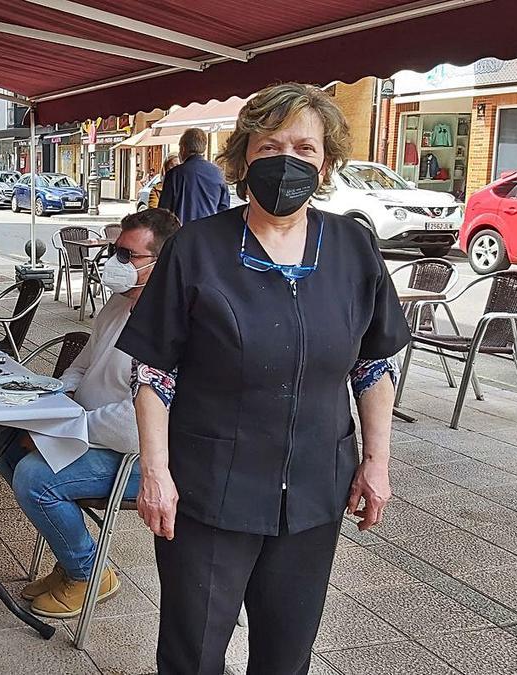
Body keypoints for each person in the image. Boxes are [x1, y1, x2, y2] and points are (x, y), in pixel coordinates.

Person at [116, 83, 410, 674]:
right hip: (208, 492)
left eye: (305, 148)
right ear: (245, 156)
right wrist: (155, 474)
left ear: (325, 163)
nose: (288, 160)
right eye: (271, 145)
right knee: (192, 654)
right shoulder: (197, 248)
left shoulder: (354, 249)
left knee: (286, 656)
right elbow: (154, 373)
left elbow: (373, 365)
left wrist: (376, 462)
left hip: (313, 493)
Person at [0, 208, 182, 619]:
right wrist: (45, 397)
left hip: (147, 460)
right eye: (115, 251)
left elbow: (137, 424)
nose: (115, 263)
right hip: (91, 433)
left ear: (162, 262)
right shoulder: (117, 306)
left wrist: (60, 431)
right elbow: (83, 367)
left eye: (128, 256)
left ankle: (88, 571)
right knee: (6, 441)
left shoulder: (175, 324)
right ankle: (71, 557)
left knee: (35, 477)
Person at [158, 127, 229, 222]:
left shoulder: (174, 175)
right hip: (208, 232)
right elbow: (224, 210)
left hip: (181, 233)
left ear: (183, 148)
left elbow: (163, 213)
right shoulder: (219, 174)